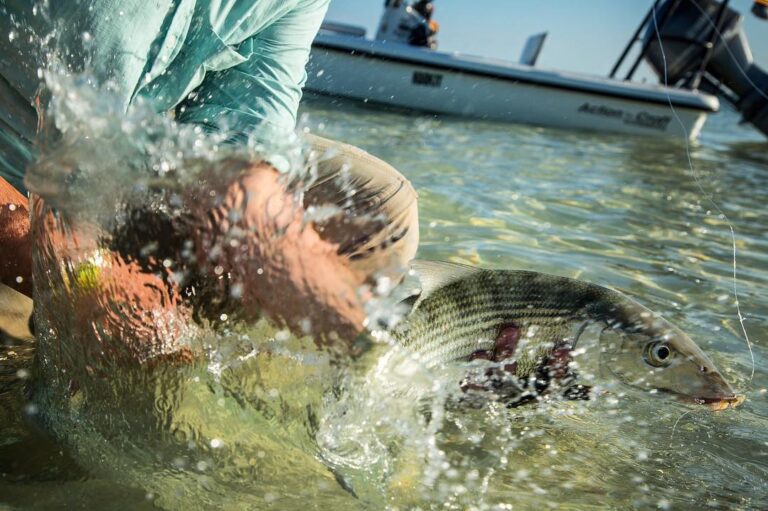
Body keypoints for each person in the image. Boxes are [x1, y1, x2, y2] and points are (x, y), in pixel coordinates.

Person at [0, 1, 419, 360]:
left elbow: (241, 176)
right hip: (14, 193)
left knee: (377, 207)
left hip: (130, 178)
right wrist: (84, 280)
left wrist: (362, 338)